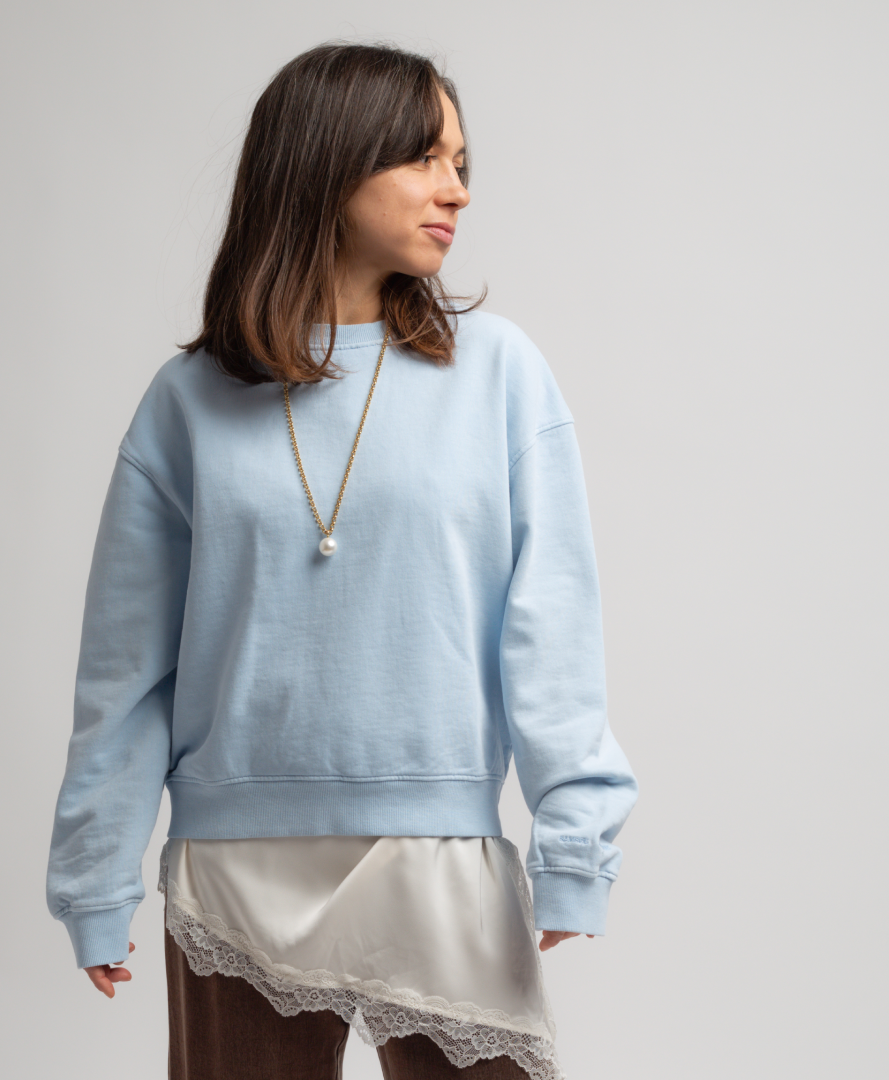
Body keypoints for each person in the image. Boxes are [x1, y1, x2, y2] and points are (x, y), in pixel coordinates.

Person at [46, 40, 638, 1080]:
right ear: (327, 161)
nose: (456, 189)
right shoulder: (187, 403)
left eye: (463, 163)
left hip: (441, 854)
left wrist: (575, 840)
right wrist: (95, 877)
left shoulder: (500, 375)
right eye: (425, 158)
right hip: (238, 869)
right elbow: (125, 668)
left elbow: (552, 626)